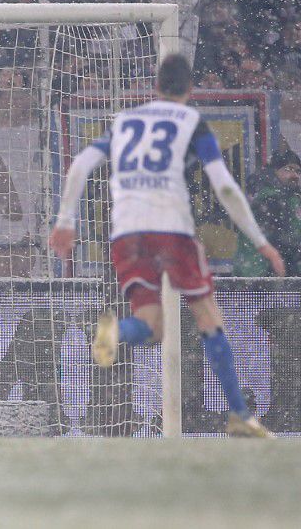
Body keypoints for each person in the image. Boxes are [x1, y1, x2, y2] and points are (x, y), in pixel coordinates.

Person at [49, 54, 283, 438]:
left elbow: (79, 166)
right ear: (189, 90)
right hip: (172, 229)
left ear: (154, 87)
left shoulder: (123, 122)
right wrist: (260, 241)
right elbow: (223, 185)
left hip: (126, 232)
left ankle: (115, 332)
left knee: (149, 327)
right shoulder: (191, 122)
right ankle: (240, 415)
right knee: (208, 317)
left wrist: (65, 222)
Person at [233, 148, 301, 277]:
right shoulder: (270, 199)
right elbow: (284, 241)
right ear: (274, 171)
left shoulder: (291, 198)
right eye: (288, 169)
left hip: (272, 275)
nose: (295, 175)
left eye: (298, 171)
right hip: (261, 277)